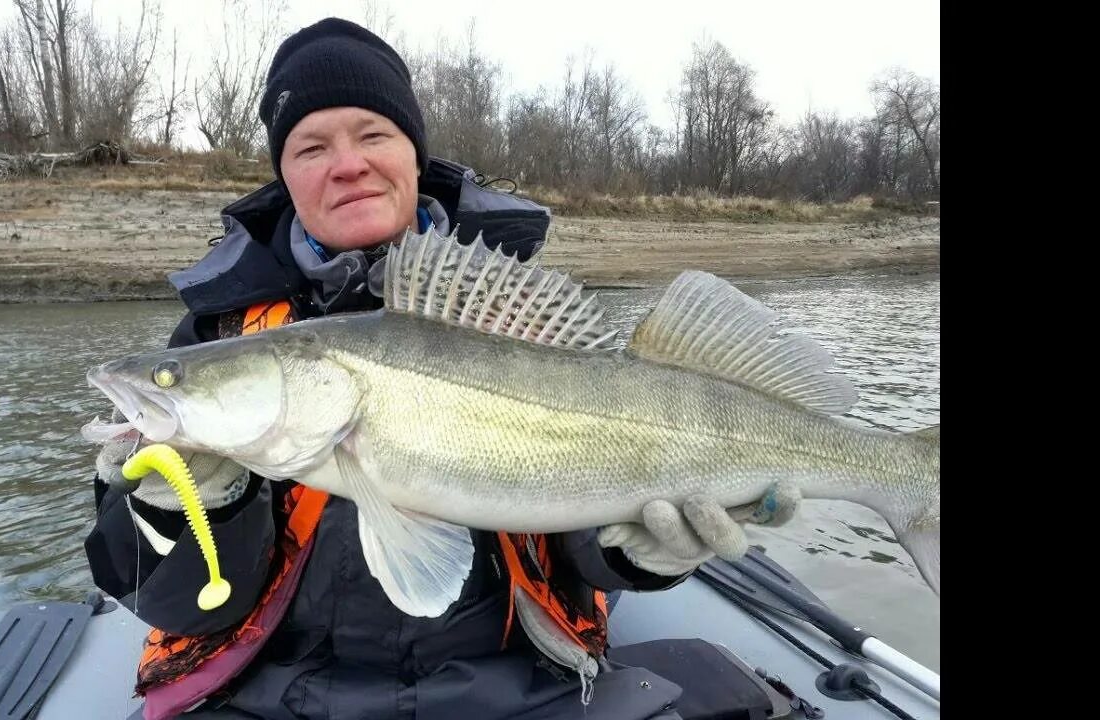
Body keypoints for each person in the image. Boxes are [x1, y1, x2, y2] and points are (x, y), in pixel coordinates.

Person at [85, 17, 801, 720]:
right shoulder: (220, 331)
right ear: (285, 174)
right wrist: (189, 509)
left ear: (413, 153)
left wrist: (643, 556)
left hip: (524, 689)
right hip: (275, 695)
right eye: (310, 147)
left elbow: (583, 537)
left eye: (373, 134)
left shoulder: (516, 315)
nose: (346, 163)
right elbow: (172, 602)